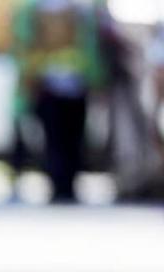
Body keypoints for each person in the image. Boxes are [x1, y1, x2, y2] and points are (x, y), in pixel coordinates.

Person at [11, 0, 107, 202]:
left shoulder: (80, 8)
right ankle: (59, 185)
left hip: (74, 83)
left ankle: (67, 185)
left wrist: (96, 78)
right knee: (57, 139)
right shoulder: (35, 9)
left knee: (72, 138)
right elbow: (24, 44)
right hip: (49, 83)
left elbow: (91, 45)